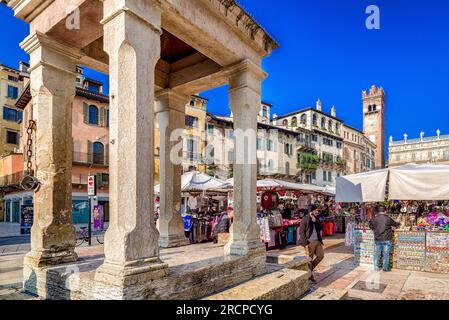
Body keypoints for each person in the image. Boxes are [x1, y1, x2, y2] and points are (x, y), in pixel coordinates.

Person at [369, 206, 400, 272]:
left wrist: (375, 229)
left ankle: (376, 268)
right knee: (386, 254)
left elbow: (370, 226)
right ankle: (385, 268)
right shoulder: (388, 218)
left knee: (377, 254)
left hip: (377, 239)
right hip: (386, 239)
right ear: (385, 211)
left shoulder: (374, 219)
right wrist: (399, 223)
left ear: (378, 211)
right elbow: (395, 224)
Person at [299, 206, 324, 282]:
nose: (317, 212)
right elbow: (301, 232)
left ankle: (308, 271)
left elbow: (321, 228)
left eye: (317, 210)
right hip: (309, 243)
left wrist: (315, 221)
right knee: (309, 260)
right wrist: (305, 243)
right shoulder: (305, 219)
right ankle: (310, 275)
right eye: (315, 210)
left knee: (321, 256)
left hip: (317, 241)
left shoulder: (316, 218)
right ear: (311, 211)